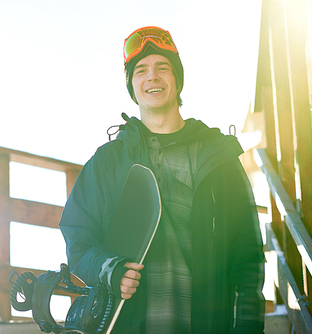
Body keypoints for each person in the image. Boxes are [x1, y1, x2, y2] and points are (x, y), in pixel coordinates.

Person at [58, 26, 265, 333]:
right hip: (128, 324)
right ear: (132, 85)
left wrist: (248, 327)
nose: (151, 76)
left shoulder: (217, 158)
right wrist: (109, 271)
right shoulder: (108, 162)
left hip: (205, 325)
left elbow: (247, 257)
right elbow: (78, 239)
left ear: (176, 80)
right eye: (140, 70)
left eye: (162, 67)